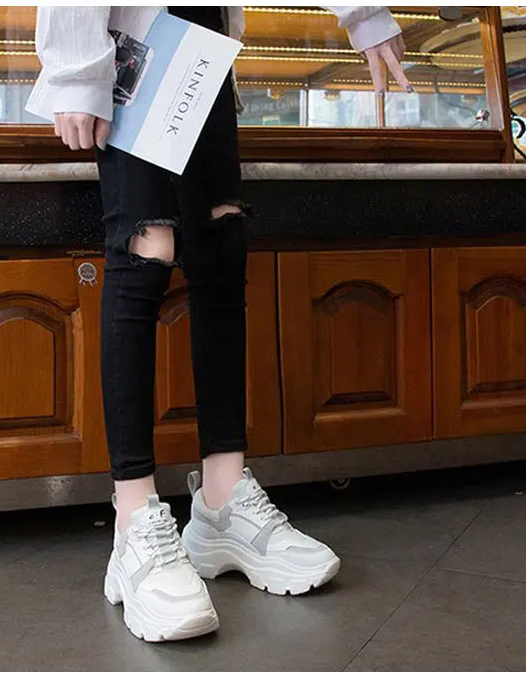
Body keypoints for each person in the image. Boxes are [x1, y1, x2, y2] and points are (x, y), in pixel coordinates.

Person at [27, 6, 411, 643]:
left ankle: (221, 501)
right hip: (134, 39)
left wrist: (363, 13)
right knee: (144, 250)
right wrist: (73, 67)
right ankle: (133, 521)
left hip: (204, 46)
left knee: (222, 245)